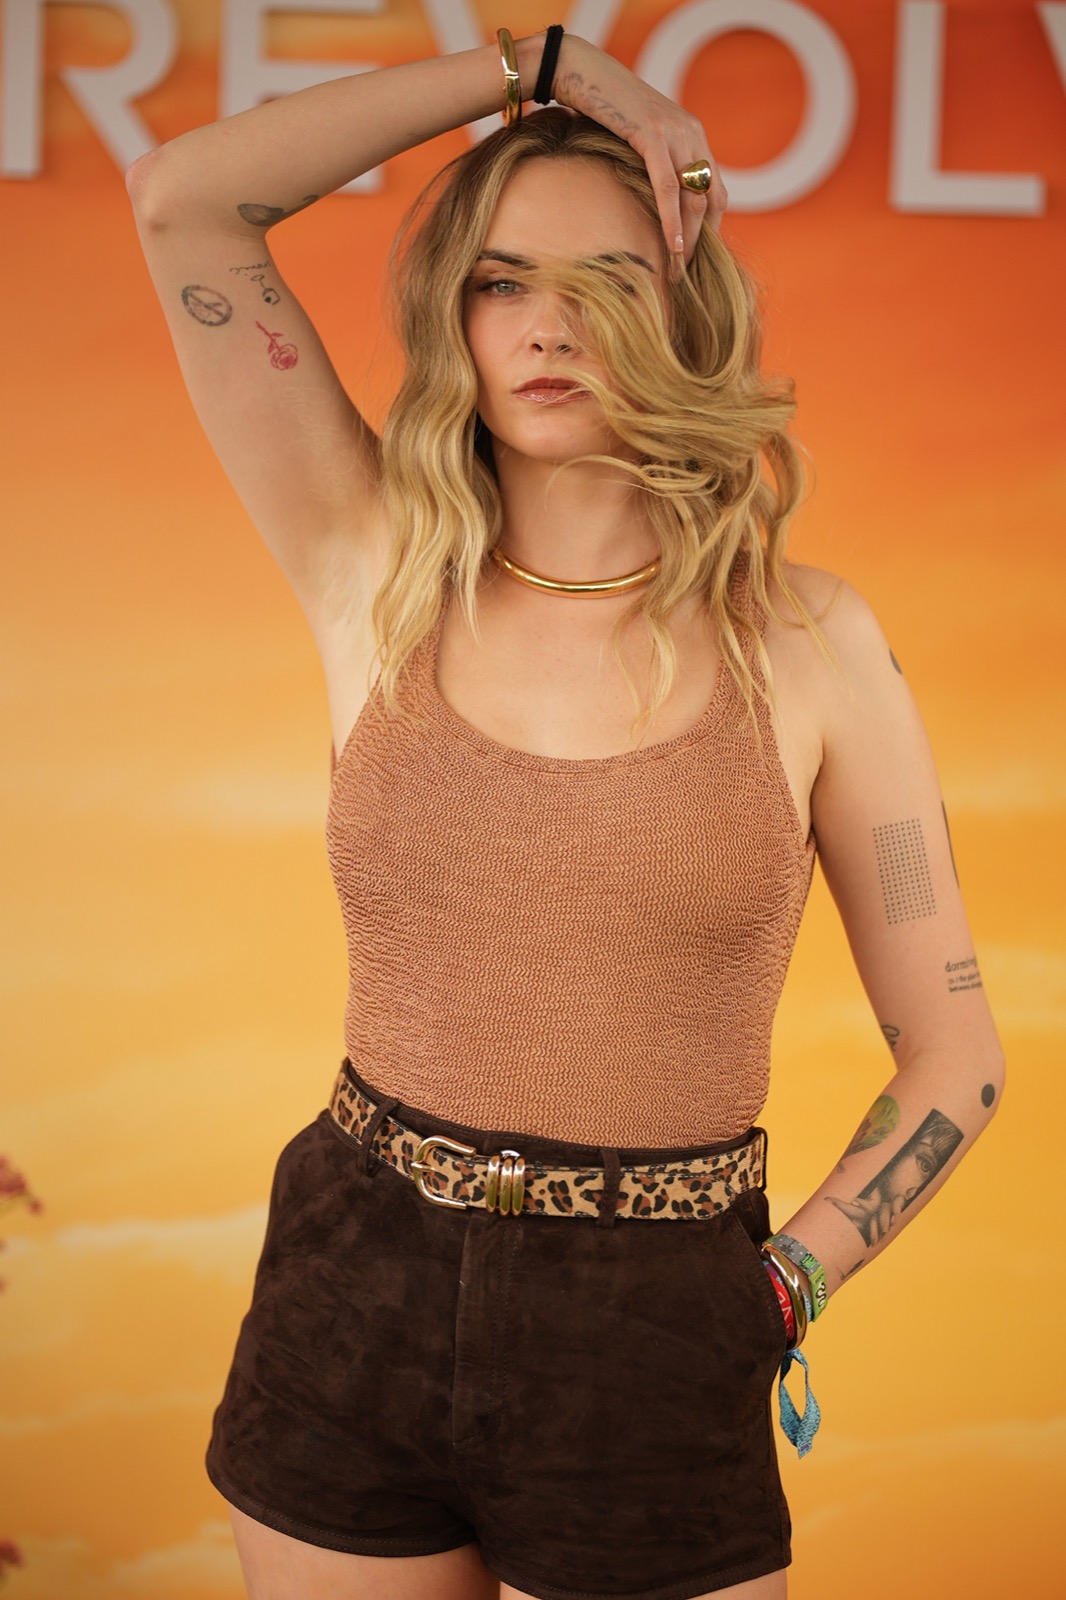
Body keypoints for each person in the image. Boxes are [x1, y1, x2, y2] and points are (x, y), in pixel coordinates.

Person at [128, 26, 1004, 1600]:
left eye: (603, 279)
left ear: (680, 309)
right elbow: (187, 199)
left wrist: (782, 1288)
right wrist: (539, 68)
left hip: (653, 1328)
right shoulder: (370, 564)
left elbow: (955, 1055)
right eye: (499, 282)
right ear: (453, 318)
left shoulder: (813, 642)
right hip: (352, 1293)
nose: (545, 326)